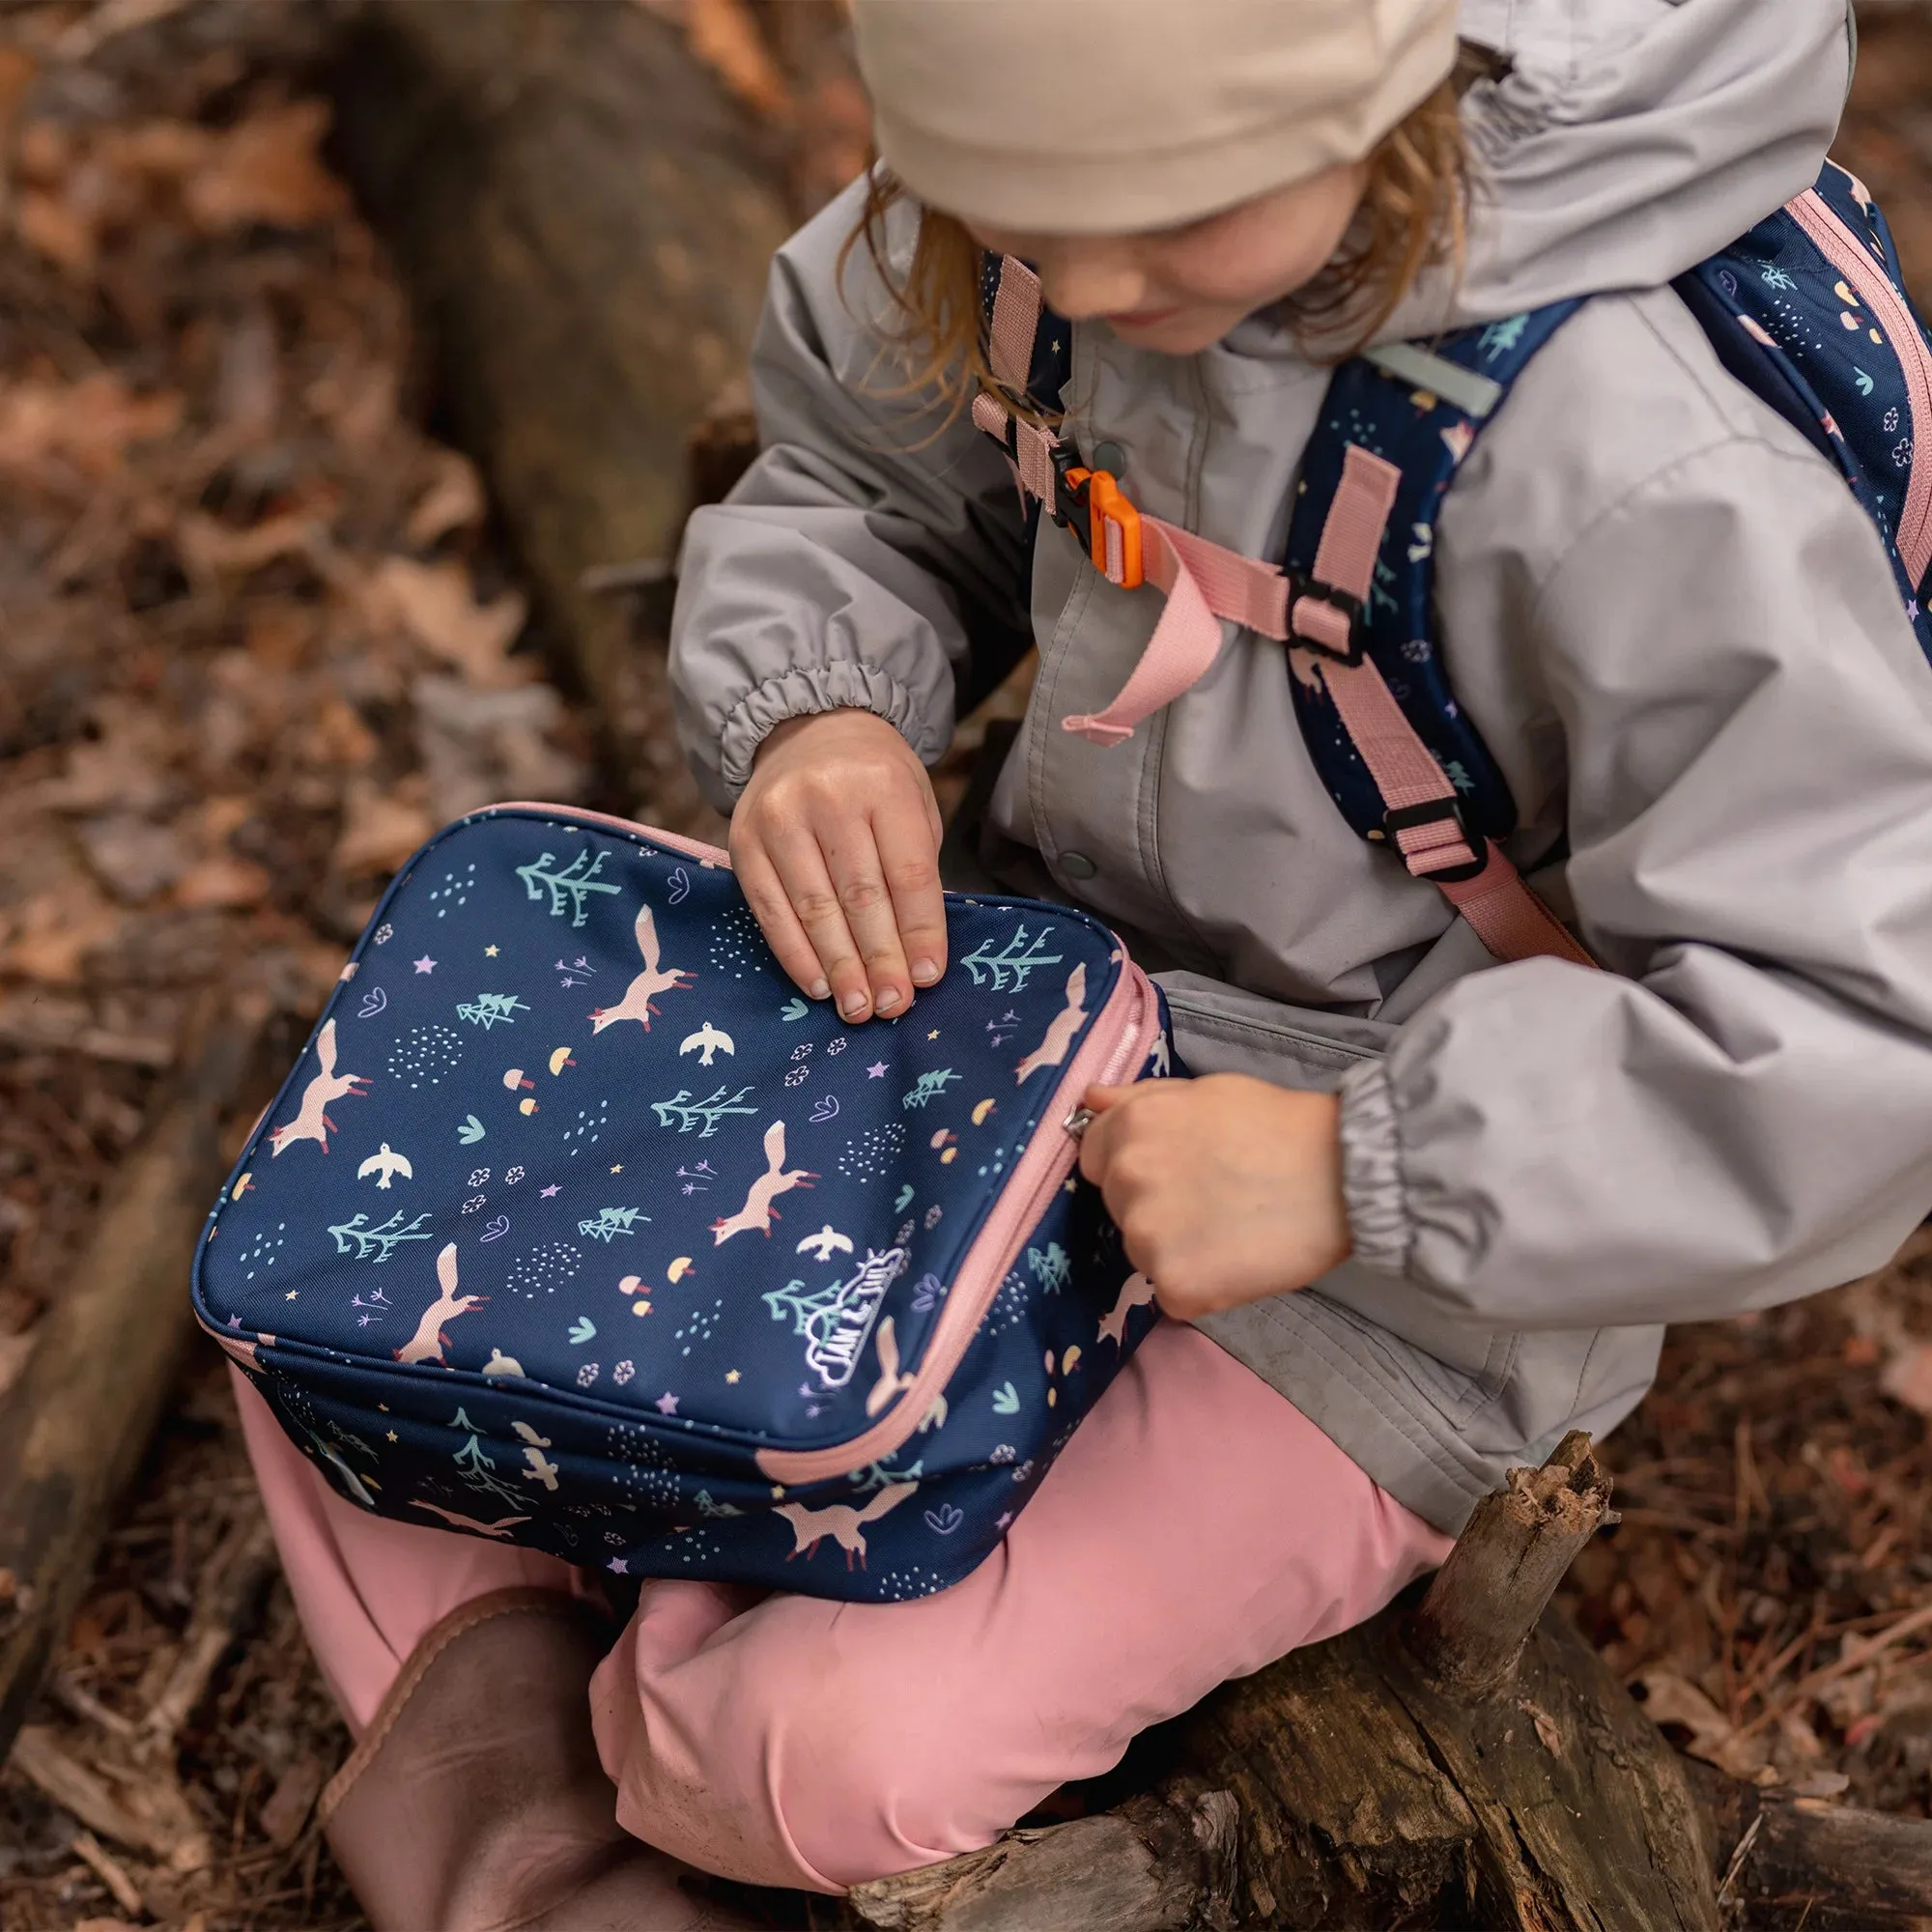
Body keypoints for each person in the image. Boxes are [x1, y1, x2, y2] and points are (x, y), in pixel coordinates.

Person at [238, 0, 1932, 1924]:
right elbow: (850, 482)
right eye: (1023, 225)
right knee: (328, 1289)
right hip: (990, 1021)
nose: (1099, 289)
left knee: (802, 1755)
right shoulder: (1024, 213)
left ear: (1381, 110)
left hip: (1383, 1270)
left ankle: (675, 1665)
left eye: (1172, 221)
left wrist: (1355, 1172)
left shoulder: (1629, 463)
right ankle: (570, 1784)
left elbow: (1865, 1022)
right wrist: (820, 715)